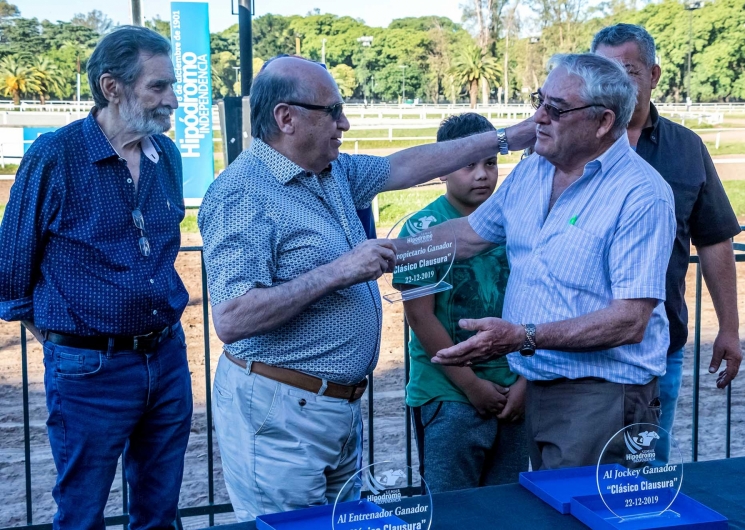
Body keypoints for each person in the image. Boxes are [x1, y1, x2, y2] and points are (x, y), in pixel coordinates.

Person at [198, 55, 538, 520]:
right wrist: (339, 271)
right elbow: (232, 318)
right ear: (286, 118)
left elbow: (410, 165)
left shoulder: (331, 172)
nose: (346, 122)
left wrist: (509, 138)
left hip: (334, 409)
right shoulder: (241, 194)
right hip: (280, 414)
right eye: (333, 111)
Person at [420, 53, 677, 471]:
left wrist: (523, 336)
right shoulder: (534, 169)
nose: (538, 118)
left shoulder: (641, 194)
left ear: (603, 122)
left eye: (555, 109)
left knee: (585, 516)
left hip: (601, 399)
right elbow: (468, 235)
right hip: (540, 389)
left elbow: (630, 321)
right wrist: (381, 254)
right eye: (539, 101)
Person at [0, 26, 192, 529]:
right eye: (159, 86)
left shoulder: (166, 156)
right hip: (89, 371)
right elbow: (11, 275)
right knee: (82, 515)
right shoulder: (54, 156)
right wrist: (70, 347)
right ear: (112, 87)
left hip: (167, 359)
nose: (172, 98)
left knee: (159, 514)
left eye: (172, 86)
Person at [591, 24, 742, 459]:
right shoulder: (575, 144)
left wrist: (729, 328)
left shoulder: (686, 148)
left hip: (661, 347)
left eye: (629, 71)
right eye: (605, 71)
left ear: (654, 75)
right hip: (578, 351)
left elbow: (714, 241)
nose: (617, 83)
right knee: (574, 477)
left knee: (647, 473)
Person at [395, 113, 527, 493]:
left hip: (512, 391)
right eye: (468, 165)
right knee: (452, 510)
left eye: (490, 162)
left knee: (510, 509)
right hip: (448, 394)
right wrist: (470, 385)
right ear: (442, 169)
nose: (482, 175)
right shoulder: (422, 229)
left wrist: (525, 383)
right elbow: (420, 318)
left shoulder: (518, 220)